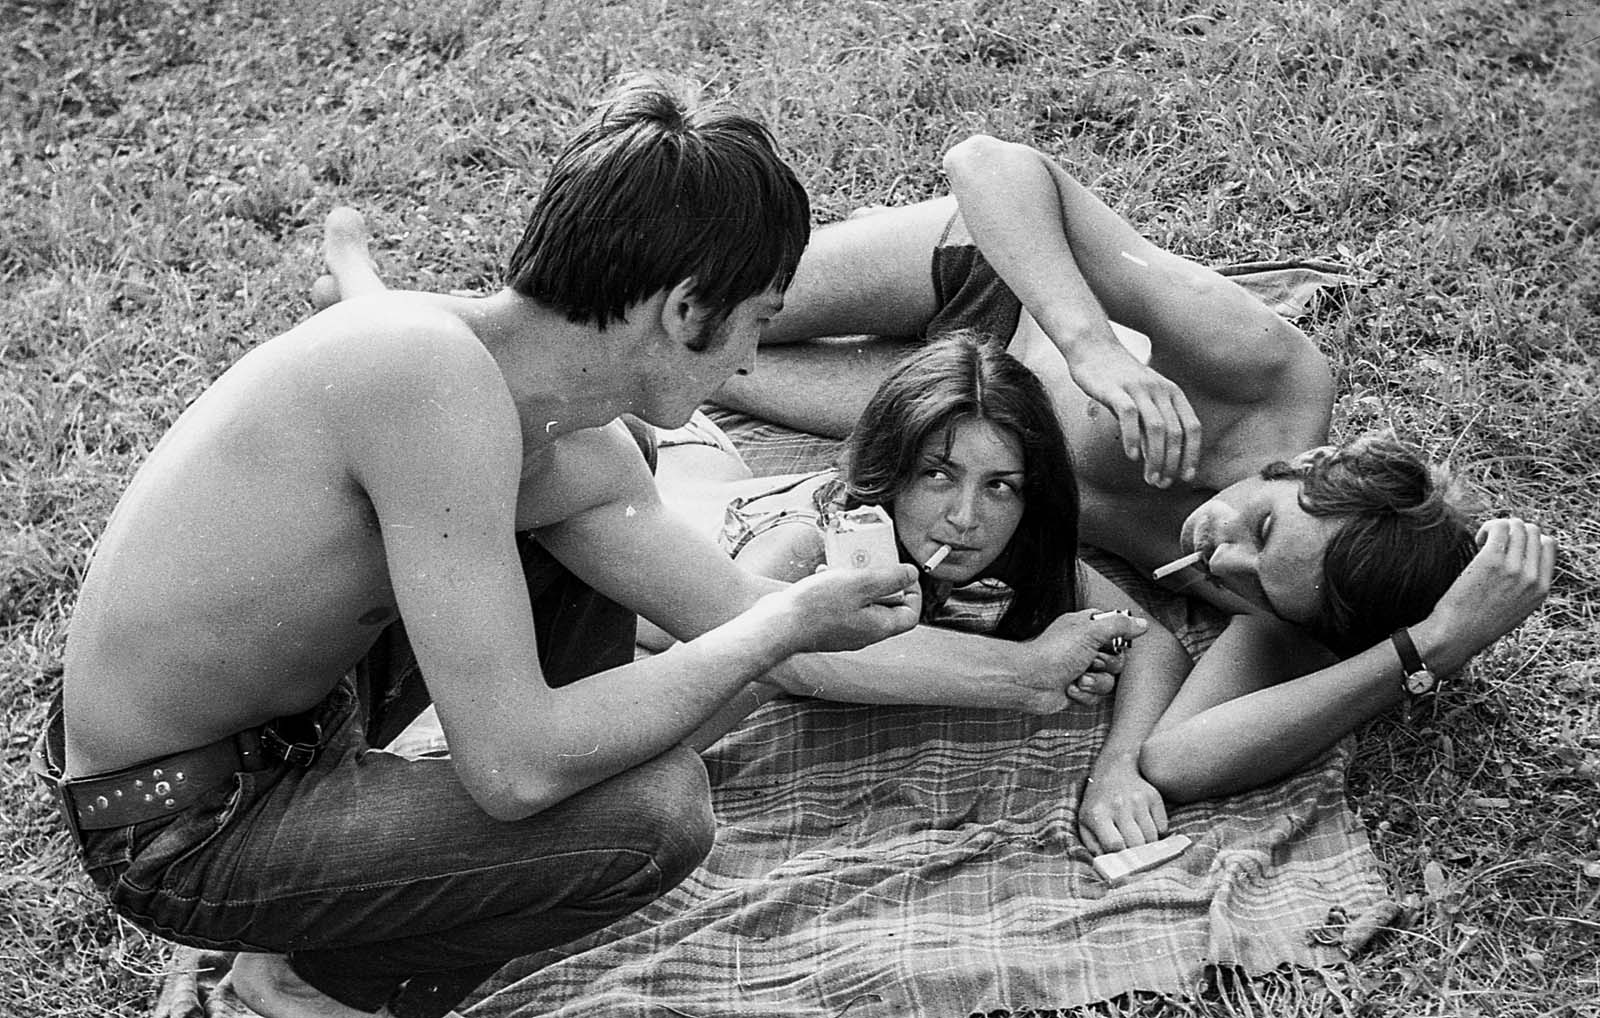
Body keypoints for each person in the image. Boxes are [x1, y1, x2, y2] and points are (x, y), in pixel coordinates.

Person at [309, 137, 1554, 834]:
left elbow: (1176, 750)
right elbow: (991, 163)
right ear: (1304, 467)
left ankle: (389, 323)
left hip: (928, 419)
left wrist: (1421, 651)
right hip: (989, 284)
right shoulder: (1272, 377)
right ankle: (388, 318)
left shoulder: (1287, 588)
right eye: (1258, 523)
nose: (1217, 554)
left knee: (697, 381)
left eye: (1249, 585)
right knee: (677, 330)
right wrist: (1088, 344)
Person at [39, 74, 947, 1018]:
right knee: (652, 817)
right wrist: (784, 626)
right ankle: (305, 981)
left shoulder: (532, 413)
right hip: (178, 821)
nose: (751, 360)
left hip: (297, 724)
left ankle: (406, 866)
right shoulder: (425, 378)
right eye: (757, 320)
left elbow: (735, 611)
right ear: (685, 310)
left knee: (601, 509)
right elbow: (518, 772)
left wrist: (1007, 660)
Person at [643, 332, 1195, 853]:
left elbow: (1148, 640)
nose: (966, 517)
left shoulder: (1004, 533)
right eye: (937, 475)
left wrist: (1118, 769)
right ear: (891, 468)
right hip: (662, 457)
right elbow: (672, 722)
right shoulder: (805, 547)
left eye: (999, 485)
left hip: (709, 463)